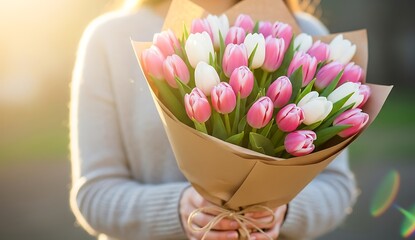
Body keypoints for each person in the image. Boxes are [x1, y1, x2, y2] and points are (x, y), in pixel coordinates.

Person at [69, 0, 358, 239]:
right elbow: (94, 196)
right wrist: (181, 209)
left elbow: (336, 188)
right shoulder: (110, 38)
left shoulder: (305, 33)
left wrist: (282, 210)